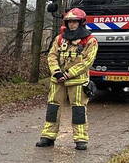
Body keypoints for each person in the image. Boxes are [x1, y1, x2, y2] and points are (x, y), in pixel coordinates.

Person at [36, 8, 98, 151]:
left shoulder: (90, 41)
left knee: (78, 109)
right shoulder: (59, 38)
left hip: (77, 82)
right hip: (58, 81)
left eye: (75, 22)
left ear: (81, 22)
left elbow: (87, 62)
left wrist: (68, 74)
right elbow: (51, 56)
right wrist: (57, 72)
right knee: (53, 107)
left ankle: (80, 139)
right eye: (69, 22)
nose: (72, 25)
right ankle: (48, 136)